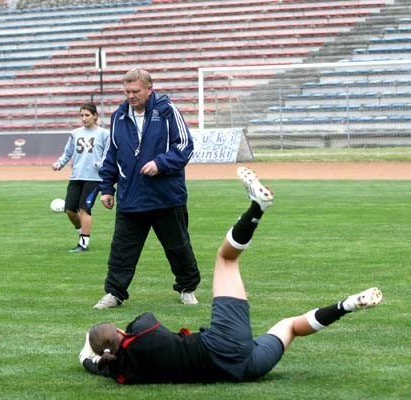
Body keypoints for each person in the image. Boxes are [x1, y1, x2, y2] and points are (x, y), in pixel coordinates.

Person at [79, 167, 383, 384]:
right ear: (120, 334)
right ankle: (257, 208)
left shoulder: (122, 373)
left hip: (244, 370)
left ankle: (346, 306)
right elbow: (140, 327)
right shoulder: (141, 332)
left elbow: (96, 365)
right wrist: (91, 348)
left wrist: (89, 357)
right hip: (221, 343)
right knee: (226, 258)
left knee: (290, 326)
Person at [94, 68, 200, 309]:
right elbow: (112, 153)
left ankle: (187, 288)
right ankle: (114, 293)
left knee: (178, 247)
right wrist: (107, 187)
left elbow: (185, 146)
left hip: (167, 196)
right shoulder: (118, 116)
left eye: (135, 91)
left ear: (149, 89)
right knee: (121, 250)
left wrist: (160, 164)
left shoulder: (167, 111)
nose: (130, 96)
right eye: (126, 91)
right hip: (131, 196)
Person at [52, 102, 109, 252]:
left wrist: (100, 164)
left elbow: (108, 154)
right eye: (82, 115)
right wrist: (59, 163)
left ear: (95, 116)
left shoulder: (104, 134)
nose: (84, 118)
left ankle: (84, 243)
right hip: (76, 176)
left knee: (84, 209)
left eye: (87, 115)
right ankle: (81, 230)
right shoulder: (75, 133)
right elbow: (68, 153)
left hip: (94, 178)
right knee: (70, 210)